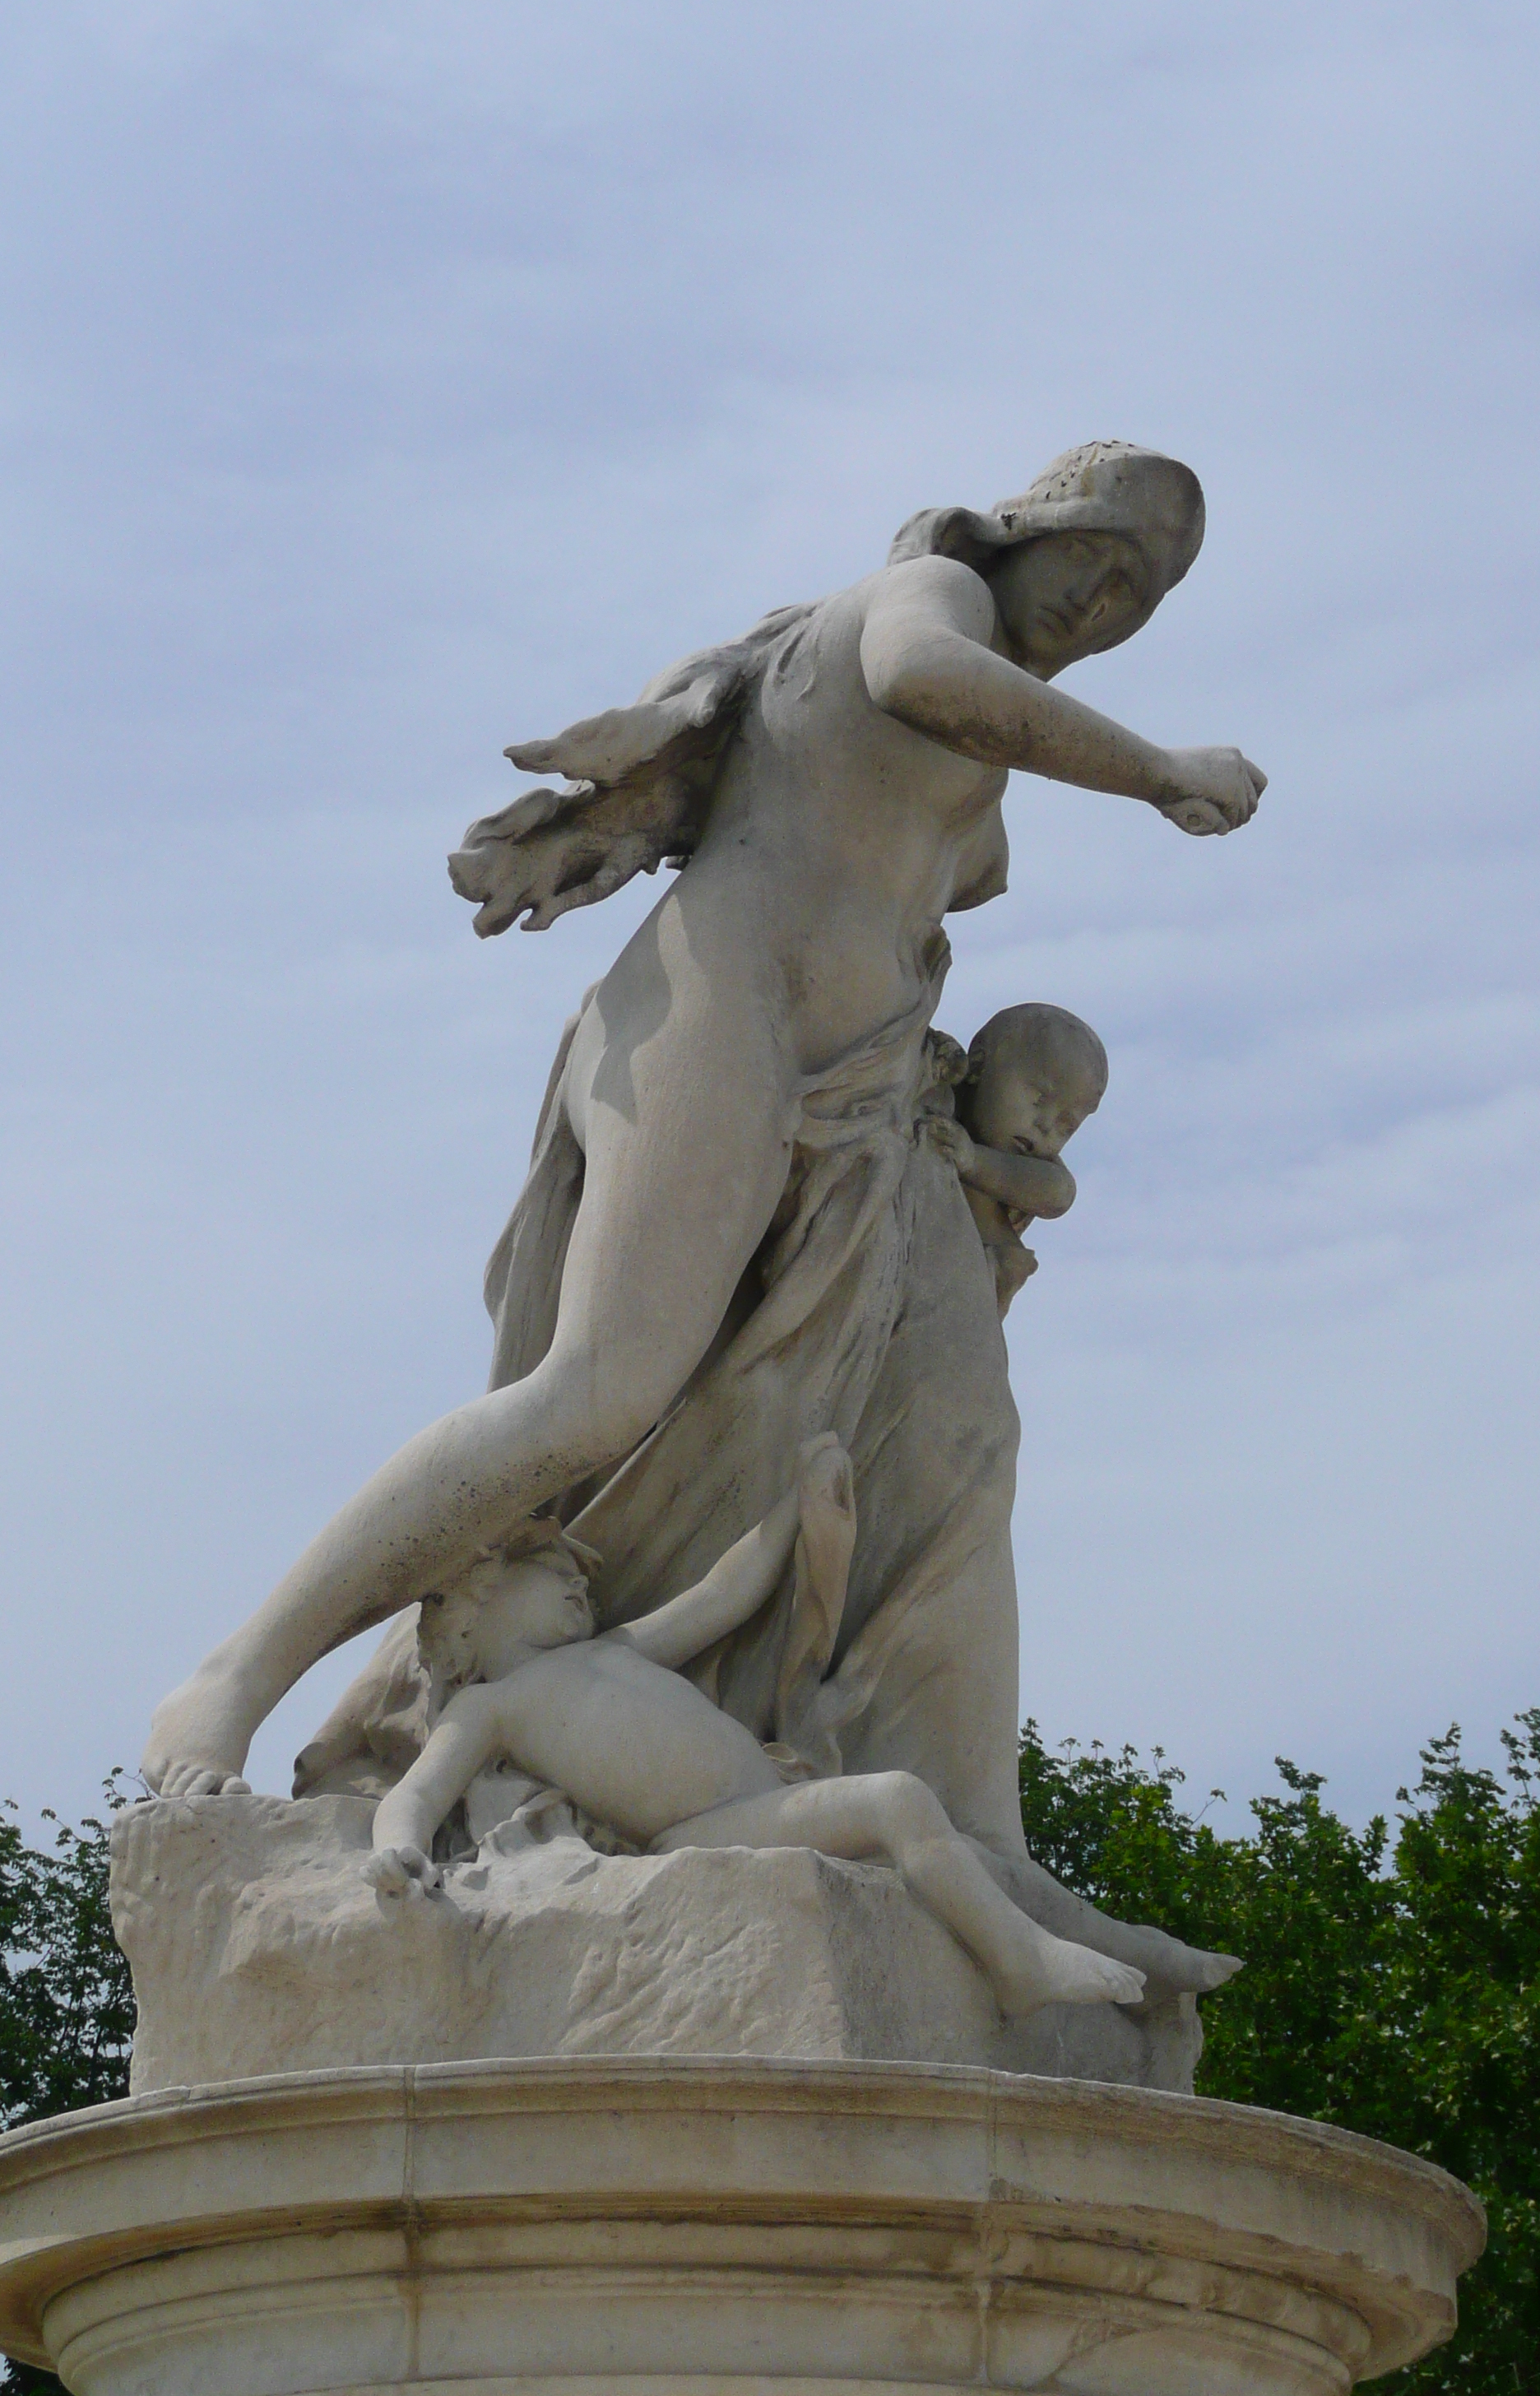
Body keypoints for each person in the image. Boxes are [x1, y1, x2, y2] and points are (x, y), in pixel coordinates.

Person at [142, 437, 1265, 1952]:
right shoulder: (924, 590)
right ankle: (232, 1673)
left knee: (953, 1434)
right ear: (1023, 530)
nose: (1109, 602)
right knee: (593, 1393)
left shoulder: (997, 707)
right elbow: (929, 678)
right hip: (727, 1007)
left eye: (1143, 596)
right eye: (1099, 557)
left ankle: (973, 1840)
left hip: (865, 1084)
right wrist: (1155, 769)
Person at [364, 1438, 1149, 2022]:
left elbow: (721, 1595)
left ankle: (1116, 1950)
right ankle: (1020, 1963)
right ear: (473, 1604)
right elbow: (417, 1793)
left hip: (770, 1794)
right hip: (697, 1831)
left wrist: (796, 1505)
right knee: (897, 1799)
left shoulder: (616, 1649)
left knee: (960, 1849)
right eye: (553, 1571)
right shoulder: (492, 1707)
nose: (578, 1581)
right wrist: (394, 1847)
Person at [929, 1004, 1108, 1316]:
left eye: (1067, 1126)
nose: (1045, 1127)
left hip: (972, 1289)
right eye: (1040, 1100)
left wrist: (973, 1162)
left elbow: (1059, 1194)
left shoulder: (1026, 1172)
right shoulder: (937, 1095)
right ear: (980, 1065)